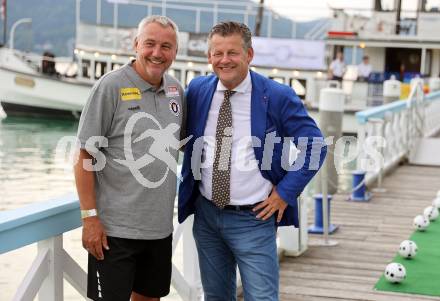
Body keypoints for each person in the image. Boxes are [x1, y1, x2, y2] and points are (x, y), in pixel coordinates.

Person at [178, 22, 326, 301]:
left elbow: (314, 146)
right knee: (215, 297)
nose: (224, 60)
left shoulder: (278, 96)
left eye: (232, 52)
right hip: (207, 216)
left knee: (262, 298)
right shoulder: (197, 89)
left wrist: (284, 193)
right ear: (209, 57)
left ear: (249, 54)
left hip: (254, 217)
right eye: (217, 53)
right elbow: (177, 132)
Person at [74, 15, 185, 301]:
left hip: (159, 230)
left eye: (166, 46)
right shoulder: (110, 86)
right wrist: (90, 219)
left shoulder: (175, 89)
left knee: (150, 299)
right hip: (114, 233)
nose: (157, 53)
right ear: (136, 44)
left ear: (175, 52)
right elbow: (84, 155)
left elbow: (186, 143)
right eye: (150, 43)